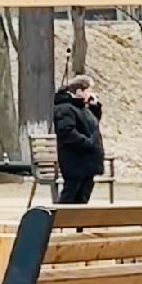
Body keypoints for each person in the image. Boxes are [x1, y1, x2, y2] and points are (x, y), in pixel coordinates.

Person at [52, 74, 104, 205]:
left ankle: (78, 224)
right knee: (70, 194)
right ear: (79, 91)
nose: (90, 94)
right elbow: (67, 133)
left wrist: (94, 107)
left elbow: (92, 124)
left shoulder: (82, 108)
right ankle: (58, 222)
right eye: (88, 90)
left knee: (83, 196)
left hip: (87, 162)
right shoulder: (65, 108)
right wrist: (88, 143)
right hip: (75, 161)